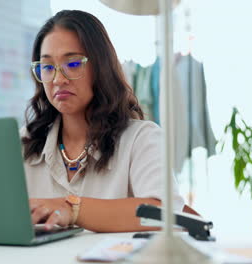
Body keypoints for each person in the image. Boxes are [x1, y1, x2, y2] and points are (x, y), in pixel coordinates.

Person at [21, 10, 195, 233]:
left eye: (73, 64)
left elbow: (164, 214)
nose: (58, 79)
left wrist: (71, 208)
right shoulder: (22, 143)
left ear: (101, 67)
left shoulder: (141, 138)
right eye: (47, 67)